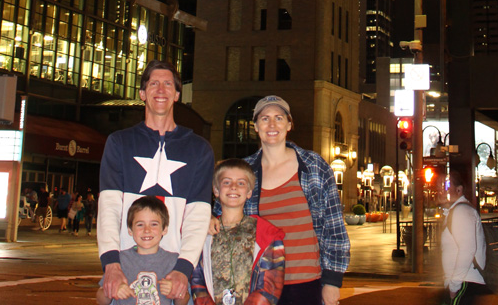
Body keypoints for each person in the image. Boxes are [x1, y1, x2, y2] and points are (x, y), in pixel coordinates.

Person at [97, 59, 214, 302]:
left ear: (177, 94)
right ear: (142, 93)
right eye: (154, 84)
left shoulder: (199, 149)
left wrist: (183, 269)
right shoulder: (119, 142)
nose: (161, 90)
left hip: (175, 271)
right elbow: (109, 207)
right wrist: (111, 264)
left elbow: (198, 214)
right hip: (125, 267)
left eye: (168, 84)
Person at [218, 96, 349, 305]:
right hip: (258, 283)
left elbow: (334, 228)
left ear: (289, 124)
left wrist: (332, 282)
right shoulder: (244, 172)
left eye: (279, 118)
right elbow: (222, 219)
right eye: (264, 119)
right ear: (255, 126)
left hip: (306, 283)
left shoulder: (314, 166)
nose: (272, 125)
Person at [192, 159, 285, 305]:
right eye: (227, 182)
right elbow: (197, 281)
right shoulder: (203, 233)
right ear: (216, 190)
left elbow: (271, 285)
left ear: (249, 192)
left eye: (241, 183)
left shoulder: (267, 235)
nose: (233, 187)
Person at [96, 196, 177, 305]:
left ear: (164, 229)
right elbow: (101, 300)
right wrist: (111, 291)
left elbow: (185, 300)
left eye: (154, 224)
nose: (147, 230)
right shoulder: (119, 260)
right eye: (140, 224)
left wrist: (176, 291)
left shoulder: (174, 261)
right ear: (130, 230)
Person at [441, 172, 488, 302]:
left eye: (446, 185)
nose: (443, 190)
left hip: (464, 283)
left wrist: (454, 286)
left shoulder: (461, 212)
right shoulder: (456, 211)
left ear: (459, 189)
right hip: (463, 282)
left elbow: (467, 249)